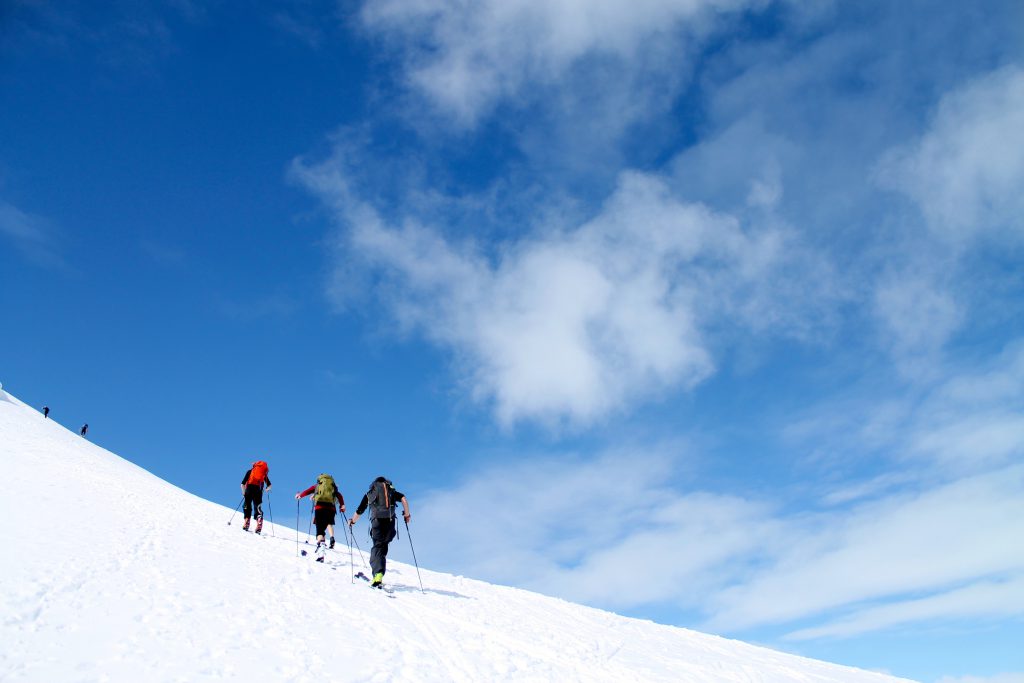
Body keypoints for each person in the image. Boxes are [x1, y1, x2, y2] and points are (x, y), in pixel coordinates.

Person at [348, 477, 410, 588]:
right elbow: (404, 499)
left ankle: (378, 574)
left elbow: (360, 510)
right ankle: (379, 572)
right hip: (390, 522)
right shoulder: (392, 491)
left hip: (377, 522)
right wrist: (407, 515)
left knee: (377, 546)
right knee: (383, 546)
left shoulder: (370, 493)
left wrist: (352, 521)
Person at [295, 474, 345, 562]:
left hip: (320, 508)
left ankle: (321, 549)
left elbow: (307, 491)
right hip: (331, 509)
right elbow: (339, 496)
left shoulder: (318, 485)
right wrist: (342, 506)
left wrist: (300, 496)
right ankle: (330, 538)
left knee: (319, 530)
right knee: (328, 524)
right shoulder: (333, 486)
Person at [240, 460, 272, 533]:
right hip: (259, 491)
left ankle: (247, 521)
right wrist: (266, 489)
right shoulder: (263, 475)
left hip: (249, 489)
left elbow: (242, 484)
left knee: (246, 505)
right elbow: (270, 485)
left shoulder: (249, 472)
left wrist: (244, 493)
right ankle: (259, 518)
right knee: (257, 507)